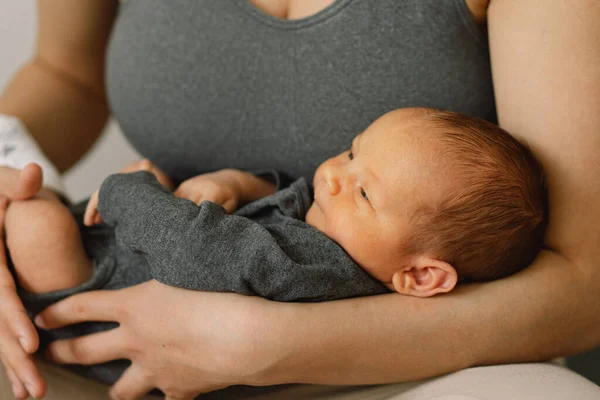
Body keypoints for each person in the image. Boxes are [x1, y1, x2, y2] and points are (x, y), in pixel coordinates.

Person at [0, 1, 598, 400]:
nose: (333, 174)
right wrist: (7, 182)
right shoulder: (306, 205)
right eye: (351, 151)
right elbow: (64, 75)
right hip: (110, 312)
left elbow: (586, 280)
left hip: (406, 355)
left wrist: (267, 345)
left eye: (364, 187)